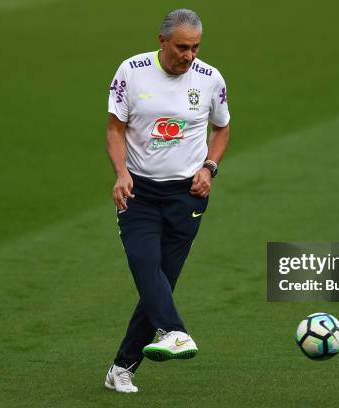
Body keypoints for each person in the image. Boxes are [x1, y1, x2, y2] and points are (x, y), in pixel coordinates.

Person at [103, 9, 231, 394]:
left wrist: (209, 168)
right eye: (181, 47)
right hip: (138, 192)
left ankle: (120, 368)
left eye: (195, 48)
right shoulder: (132, 70)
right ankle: (175, 331)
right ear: (161, 42)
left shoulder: (210, 79)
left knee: (161, 284)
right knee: (146, 266)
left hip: (186, 196)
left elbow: (222, 128)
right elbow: (115, 128)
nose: (189, 55)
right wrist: (121, 173)